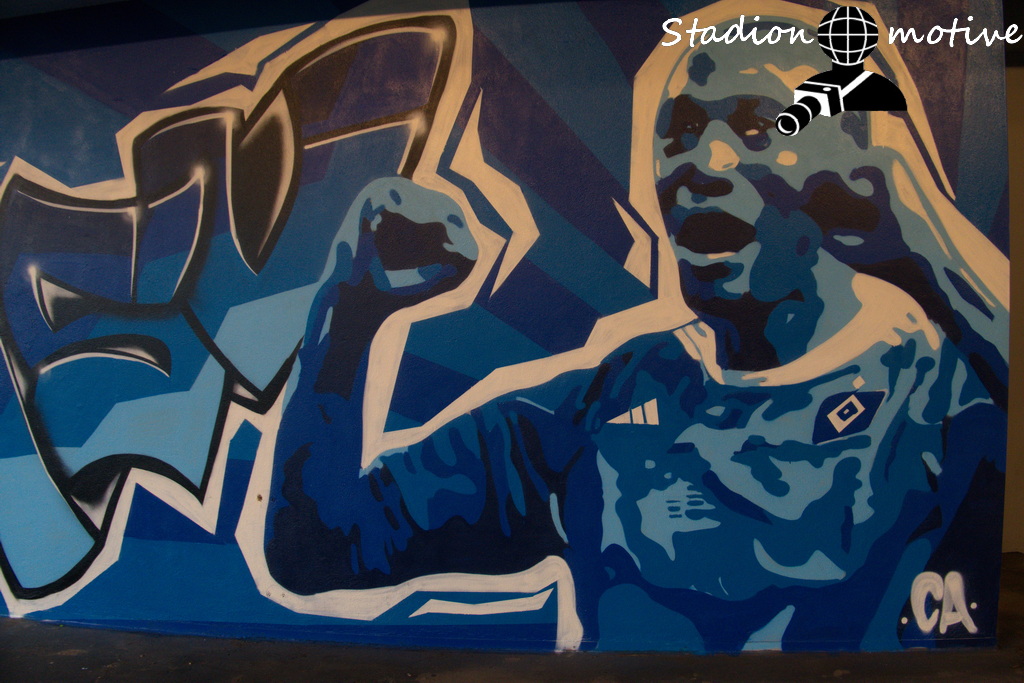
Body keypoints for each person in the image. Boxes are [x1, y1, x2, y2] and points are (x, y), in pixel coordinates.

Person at [262, 0, 1007, 651]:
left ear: (848, 168)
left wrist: (923, 248)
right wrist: (350, 312)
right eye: (680, 131)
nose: (701, 161)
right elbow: (321, 545)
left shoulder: (940, 393)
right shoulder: (602, 405)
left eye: (756, 123)